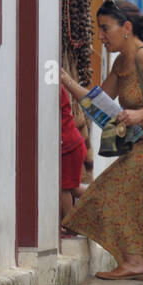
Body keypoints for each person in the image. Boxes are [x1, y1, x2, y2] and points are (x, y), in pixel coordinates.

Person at [60, 0, 143, 282]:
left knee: (111, 194)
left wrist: (142, 114)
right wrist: (65, 81)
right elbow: (99, 102)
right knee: (134, 205)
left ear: (126, 28)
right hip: (139, 147)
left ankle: (136, 261)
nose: (100, 36)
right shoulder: (120, 62)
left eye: (105, 28)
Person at [58, 87, 86, 235]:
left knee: (65, 188)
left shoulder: (53, 87)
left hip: (69, 146)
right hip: (71, 144)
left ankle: (70, 227)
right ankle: (101, 197)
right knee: (73, 188)